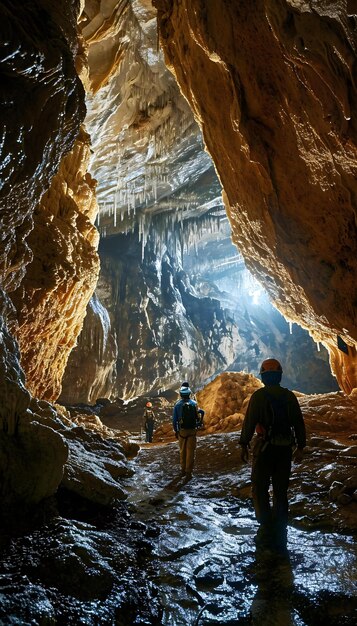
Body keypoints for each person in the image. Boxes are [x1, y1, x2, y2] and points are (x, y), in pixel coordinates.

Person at [239, 358, 306, 551]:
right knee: (280, 490)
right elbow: (298, 423)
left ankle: (265, 524)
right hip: (284, 450)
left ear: (264, 376)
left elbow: (249, 422)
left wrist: (243, 444)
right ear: (279, 375)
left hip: (264, 450)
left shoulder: (259, 396)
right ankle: (280, 525)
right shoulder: (289, 397)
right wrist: (300, 447)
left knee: (260, 488)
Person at [173, 386, 202, 479]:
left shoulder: (177, 405)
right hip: (192, 431)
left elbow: (174, 420)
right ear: (189, 394)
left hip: (182, 431)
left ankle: (183, 471)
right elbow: (198, 417)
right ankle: (189, 472)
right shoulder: (194, 403)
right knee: (191, 452)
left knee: (182, 451)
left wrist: (176, 431)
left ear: (181, 395)